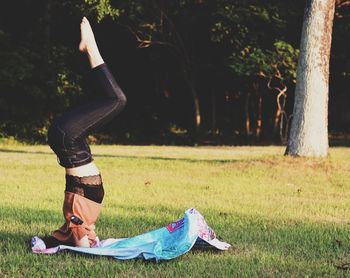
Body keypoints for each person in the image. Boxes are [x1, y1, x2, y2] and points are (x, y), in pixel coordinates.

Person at [43, 17, 127, 248]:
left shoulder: (77, 223)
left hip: (68, 138)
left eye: (92, 239)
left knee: (117, 100)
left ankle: (90, 46)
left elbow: (82, 246)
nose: (94, 238)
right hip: (71, 140)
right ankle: (90, 48)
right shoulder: (80, 222)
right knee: (110, 99)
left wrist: (84, 244)